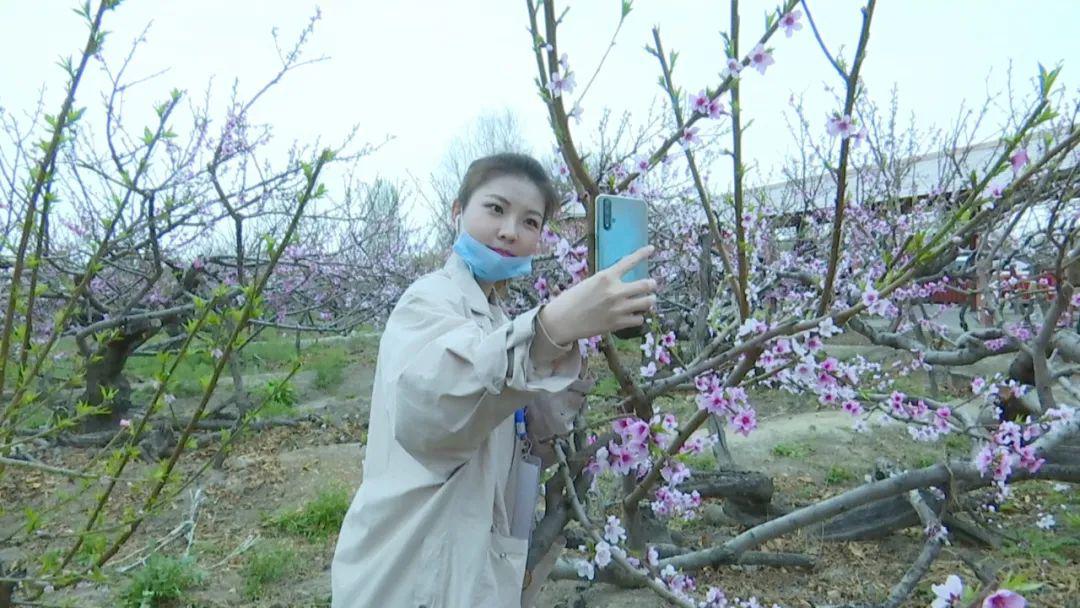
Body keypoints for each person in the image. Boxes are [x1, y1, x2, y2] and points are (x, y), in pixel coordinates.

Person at [331, 153, 656, 608]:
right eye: (496, 209)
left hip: (470, 562)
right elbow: (436, 406)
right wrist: (549, 329)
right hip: (412, 566)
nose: (510, 231)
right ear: (457, 212)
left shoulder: (497, 317)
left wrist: (569, 344)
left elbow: (530, 434)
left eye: (530, 222)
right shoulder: (427, 301)